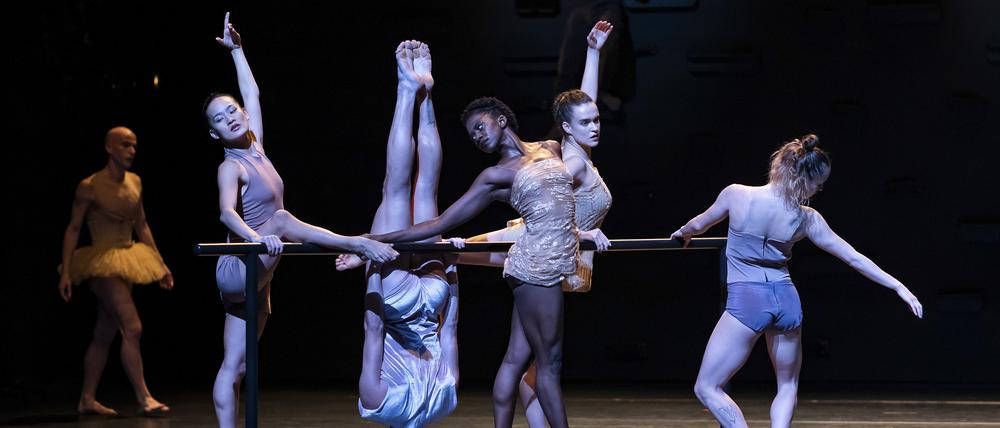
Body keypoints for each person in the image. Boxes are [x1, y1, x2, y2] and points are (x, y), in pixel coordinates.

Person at [206, 13, 398, 428]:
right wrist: (258, 237)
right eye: (220, 119)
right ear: (215, 134)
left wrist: (238, 50)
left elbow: (252, 92)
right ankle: (357, 243)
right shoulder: (231, 166)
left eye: (232, 111)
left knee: (236, 368)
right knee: (281, 218)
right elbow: (225, 212)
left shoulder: (257, 146)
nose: (232, 118)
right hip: (239, 265)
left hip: (260, 273)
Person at [669, 134, 924, 428]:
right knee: (787, 385)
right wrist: (898, 285)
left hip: (749, 299)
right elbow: (853, 257)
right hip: (786, 300)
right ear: (800, 176)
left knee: (707, 387)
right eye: (818, 182)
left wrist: (683, 233)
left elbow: (698, 225)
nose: (820, 189)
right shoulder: (807, 219)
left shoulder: (737, 194)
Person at [450, 21, 614, 427]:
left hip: (545, 249)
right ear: (569, 129)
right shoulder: (571, 161)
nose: (594, 125)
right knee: (449, 250)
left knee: (519, 357)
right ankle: (395, 252)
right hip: (535, 244)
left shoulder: (574, 149)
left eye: (597, 120)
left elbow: (578, 108)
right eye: (587, 123)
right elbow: (556, 214)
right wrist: (583, 232)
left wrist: (593, 53)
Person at [353, 40, 460, 427]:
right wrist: (372, 263)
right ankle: (405, 89)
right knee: (396, 188)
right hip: (395, 297)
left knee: (426, 186)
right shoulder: (379, 406)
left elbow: (450, 326)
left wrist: (450, 268)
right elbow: (374, 328)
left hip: (433, 296)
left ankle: (427, 94)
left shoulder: (446, 402)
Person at [57, 126, 173, 416]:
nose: (131, 151)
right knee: (132, 327)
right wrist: (66, 272)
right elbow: (73, 229)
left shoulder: (135, 182)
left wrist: (160, 265)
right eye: (124, 145)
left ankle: (87, 398)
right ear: (109, 148)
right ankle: (144, 397)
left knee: (104, 332)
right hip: (102, 262)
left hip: (129, 257)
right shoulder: (90, 185)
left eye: (134, 145)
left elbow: (142, 226)